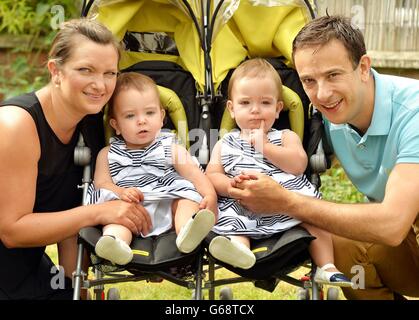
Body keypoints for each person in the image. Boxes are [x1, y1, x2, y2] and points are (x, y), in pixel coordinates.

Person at [228, 16, 419, 300]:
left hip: (402, 225)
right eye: (309, 80)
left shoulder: (412, 111)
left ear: (363, 67)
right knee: (340, 241)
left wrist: (286, 200)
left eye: (333, 75)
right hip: (406, 243)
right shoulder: (329, 117)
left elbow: (392, 224)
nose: (322, 94)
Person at [0, 18, 153, 300]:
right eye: (86, 70)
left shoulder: (91, 121)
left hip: (28, 270)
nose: (100, 84)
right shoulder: (15, 125)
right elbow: (11, 231)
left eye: (110, 73)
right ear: (55, 71)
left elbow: (70, 221)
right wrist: (98, 212)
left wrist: (77, 291)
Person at [205, 58, 352, 287]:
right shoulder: (225, 142)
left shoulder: (284, 137)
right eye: (245, 103)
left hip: (287, 205)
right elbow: (212, 175)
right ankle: (239, 251)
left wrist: (266, 146)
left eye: (265, 102)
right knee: (232, 225)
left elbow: (298, 165)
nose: (255, 110)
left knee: (315, 219)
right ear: (232, 109)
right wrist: (230, 186)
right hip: (243, 206)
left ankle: (326, 266)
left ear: (278, 108)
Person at [88, 72, 218, 266]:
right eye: (130, 116)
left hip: (167, 200)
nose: (142, 120)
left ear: (162, 116)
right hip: (129, 209)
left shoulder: (171, 147)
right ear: (115, 124)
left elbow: (195, 174)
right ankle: (115, 244)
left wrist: (210, 195)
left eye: (149, 113)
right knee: (114, 221)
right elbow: (101, 184)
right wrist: (121, 192)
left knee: (186, 200)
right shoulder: (107, 153)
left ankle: (187, 232)